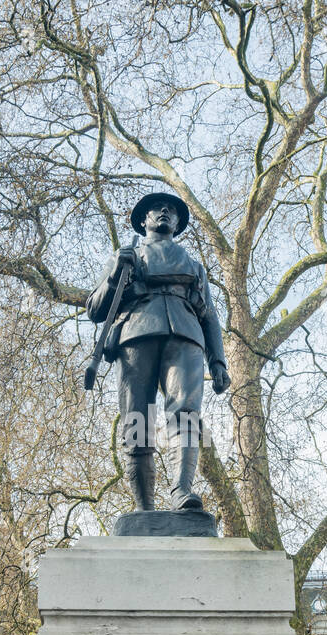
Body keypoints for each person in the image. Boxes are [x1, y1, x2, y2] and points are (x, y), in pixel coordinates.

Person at [86, 192, 230, 511]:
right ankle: (144, 507)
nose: (164, 211)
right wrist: (114, 276)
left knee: (186, 413)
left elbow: (209, 315)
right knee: (137, 419)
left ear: (178, 224)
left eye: (172, 211)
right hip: (136, 333)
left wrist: (218, 361)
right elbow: (95, 309)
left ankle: (181, 491)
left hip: (186, 335)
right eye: (156, 209)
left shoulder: (193, 266)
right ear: (144, 221)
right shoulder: (126, 256)